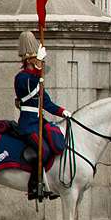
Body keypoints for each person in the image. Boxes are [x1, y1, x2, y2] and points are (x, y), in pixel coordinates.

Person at [14, 31, 69, 200]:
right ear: (29, 60)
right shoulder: (22, 78)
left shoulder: (36, 78)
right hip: (27, 124)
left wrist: (63, 112)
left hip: (38, 121)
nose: (40, 63)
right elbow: (30, 90)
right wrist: (39, 73)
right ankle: (34, 186)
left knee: (56, 143)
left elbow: (47, 104)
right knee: (43, 151)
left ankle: (50, 183)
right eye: (37, 60)